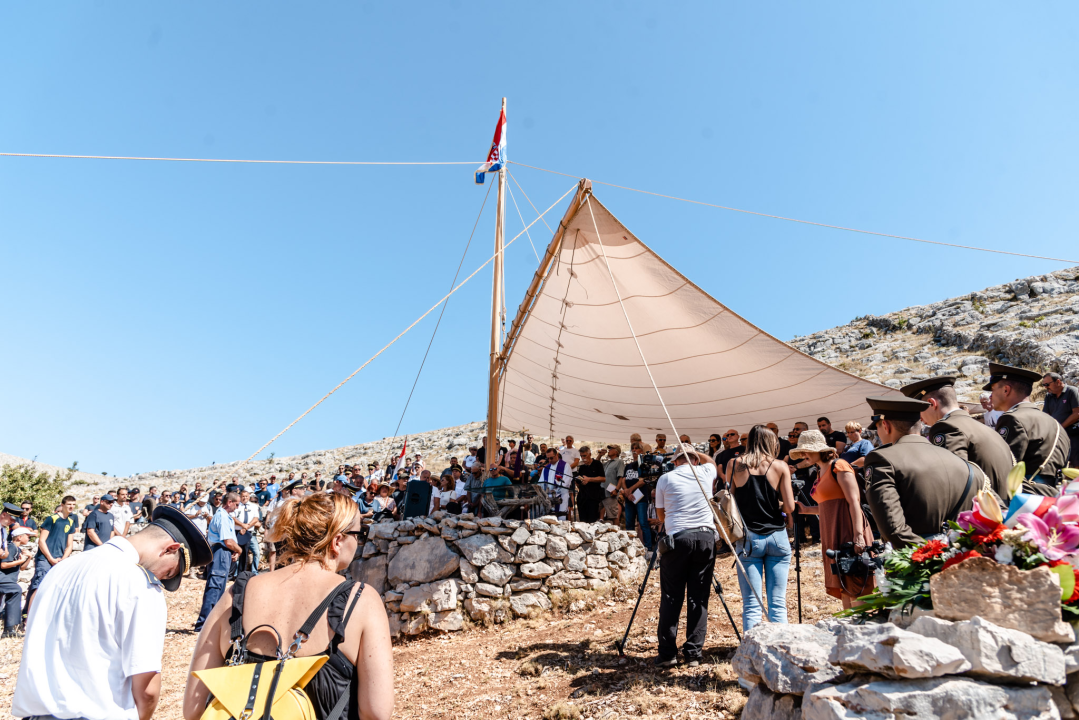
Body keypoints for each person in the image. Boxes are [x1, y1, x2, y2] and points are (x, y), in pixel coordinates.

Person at [184, 492, 393, 720]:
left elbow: (193, 708)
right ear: (338, 541)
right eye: (358, 533)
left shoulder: (237, 593)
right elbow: (376, 712)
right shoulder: (361, 600)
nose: (359, 541)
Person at [13, 505, 211, 720]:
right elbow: (146, 687)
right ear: (170, 549)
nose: (162, 578)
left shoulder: (62, 569)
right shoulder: (139, 584)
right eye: (170, 571)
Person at [863, 396, 980, 548]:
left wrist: (935, 553)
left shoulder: (882, 459)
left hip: (918, 564)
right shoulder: (962, 462)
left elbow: (893, 529)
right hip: (965, 557)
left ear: (885, 425)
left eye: (877, 427)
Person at [654, 442, 722, 667]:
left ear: (675, 461)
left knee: (671, 596)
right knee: (698, 596)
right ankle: (693, 653)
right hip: (705, 536)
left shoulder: (665, 478)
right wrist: (693, 451)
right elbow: (712, 462)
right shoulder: (704, 470)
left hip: (678, 539)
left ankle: (667, 654)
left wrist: (686, 452)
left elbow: (662, 516)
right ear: (695, 459)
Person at [791, 430, 874, 609]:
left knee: (855, 579)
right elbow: (829, 506)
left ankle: (862, 625)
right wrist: (806, 510)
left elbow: (854, 502)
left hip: (848, 528)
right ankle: (849, 625)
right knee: (844, 581)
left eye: (806, 451)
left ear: (819, 449)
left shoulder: (840, 466)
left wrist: (858, 535)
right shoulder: (820, 472)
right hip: (831, 531)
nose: (803, 455)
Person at [726, 426, 796, 631]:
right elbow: (790, 506)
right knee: (778, 604)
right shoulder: (780, 466)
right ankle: (781, 649)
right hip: (777, 536)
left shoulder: (734, 464)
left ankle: (752, 653)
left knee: (751, 605)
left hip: (748, 538)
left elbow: (728, 500)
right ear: (771, 442)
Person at [901, 375, 1015, 501]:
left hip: (984, 513)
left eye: (919, 412)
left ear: (931, 403)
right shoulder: (984, 428)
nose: (921, 420)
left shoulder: (946, 428)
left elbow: (956, 483)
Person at [986, 363, 1072, 489]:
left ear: (1006, 390)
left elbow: (1002, 469)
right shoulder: (1055, 423)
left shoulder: (1012, 418)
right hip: (1053, 496)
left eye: (993, 390)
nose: (990, 396)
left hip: (1025, 499)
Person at [25, 495, 79, 622]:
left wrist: (63, 559)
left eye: (73, 505)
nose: (71, 507)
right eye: (69, 504)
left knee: (54, 589)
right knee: (38, 587)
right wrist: (50, 558)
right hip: (45, 559)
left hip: (60, 561)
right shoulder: (52, 519)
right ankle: (28, 619)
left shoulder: (71, 522)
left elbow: (69, 545)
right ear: (62, 505)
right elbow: (41, 541)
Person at [195, 492, 243, 631]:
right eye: (236, 504)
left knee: (219, 586)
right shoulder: (222, 516)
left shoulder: (226, 516)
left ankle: (211, 623)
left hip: (223, 552)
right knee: (215, 587)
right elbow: (227, 541)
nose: (237, 507)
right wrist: (238, 550)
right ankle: (204, 624)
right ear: (229, 502)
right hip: (220, 552)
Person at [1, 527, 34, 637]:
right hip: (3, 580)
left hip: (9, 581)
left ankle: (9, 629)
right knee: (16, 590)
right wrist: (20, 560)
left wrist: (28, 558)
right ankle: (9, 629)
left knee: (15, 591)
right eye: (27, 536)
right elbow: (3, 565)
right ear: (19, 537)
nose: (29, 538)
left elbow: (22, 568)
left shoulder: (18, 549)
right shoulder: (11, 547)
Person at [1042, 372, 1079, 469]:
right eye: (1043, 385)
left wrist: (1060, 427)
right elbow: (1046, 415)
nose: (1045, 387)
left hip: (1073, 433)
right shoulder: (1049, 396)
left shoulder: (1072, 391)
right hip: (1056, 435)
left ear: (1058, 382)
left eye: (1047, 384)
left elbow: (1077, 413)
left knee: (1075, 462)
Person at [620, 443, 653, 550]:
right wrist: (626, 491)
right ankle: (630, 546)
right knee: (629, 523)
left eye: (637, 448)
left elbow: (643, 481)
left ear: (641, 451)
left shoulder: (643, 465)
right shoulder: (628, 465)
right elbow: (623, 479)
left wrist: (630, 490)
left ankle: (648, 547)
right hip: (629, 498)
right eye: (632, 448)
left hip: (640, 498)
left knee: (643, 523)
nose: (634, 450)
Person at [231, 489, 261, 574]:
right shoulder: (237, 506)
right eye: (243, 496)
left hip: (248, 532)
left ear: (249, 497)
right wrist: (242, 525)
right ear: (240, 497)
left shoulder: (254, 506)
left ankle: (242, 573)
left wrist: (247, 526)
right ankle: (234, 573)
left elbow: (256, 518)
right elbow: (233, 518)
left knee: (245, 553)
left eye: (246, 496)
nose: (244, 498)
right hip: (237, 531)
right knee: (236, 552)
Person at [575, 446, 606, 522]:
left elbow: (603, 478)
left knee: (592, 521)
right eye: (581, 456)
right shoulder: (582, 467)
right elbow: (579, 481)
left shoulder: (597, 464)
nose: (583, 458)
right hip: (582, 497)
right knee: (582, 521)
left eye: (584, 455)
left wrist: (589, 479)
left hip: (593, 497)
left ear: (590, 454)